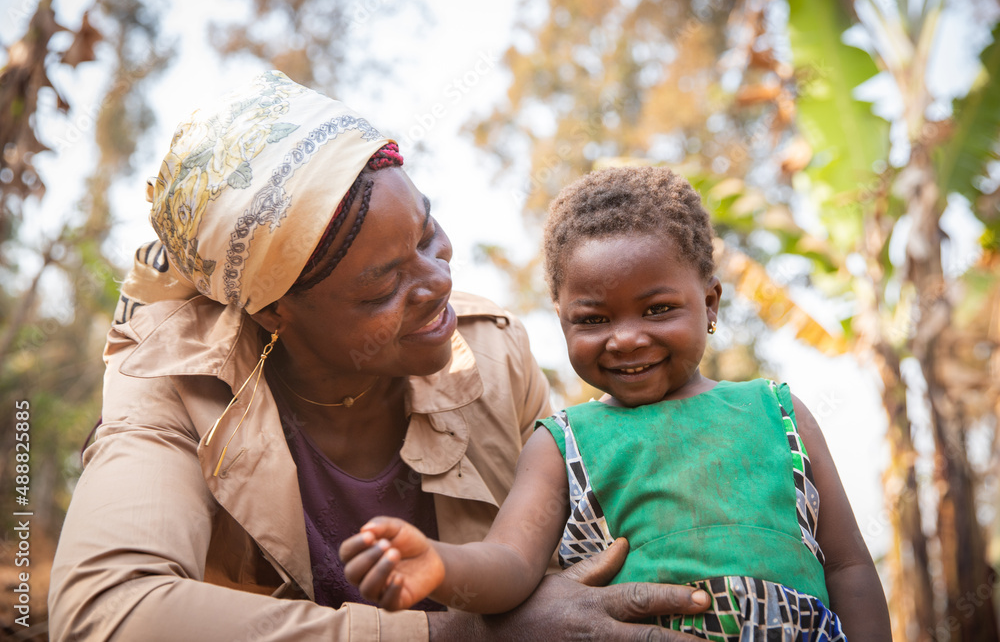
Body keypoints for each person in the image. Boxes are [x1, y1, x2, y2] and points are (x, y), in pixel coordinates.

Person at [47, 72, 714, 641]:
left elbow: (583, 565)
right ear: (274, 309)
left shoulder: (490, 353)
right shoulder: (175, 380)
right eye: (384, 284)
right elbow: (107, 610)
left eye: (428, 234)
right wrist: (461, 632)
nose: (438, 284)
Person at [340, 166, 894, 640]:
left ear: (709, 302)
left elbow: (848, 567)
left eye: (656, 309)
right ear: (562, 323)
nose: (625, 338)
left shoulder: (780, 412)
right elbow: (510, 565)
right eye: (594, 319)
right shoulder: (560, 443)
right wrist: (439, 564)